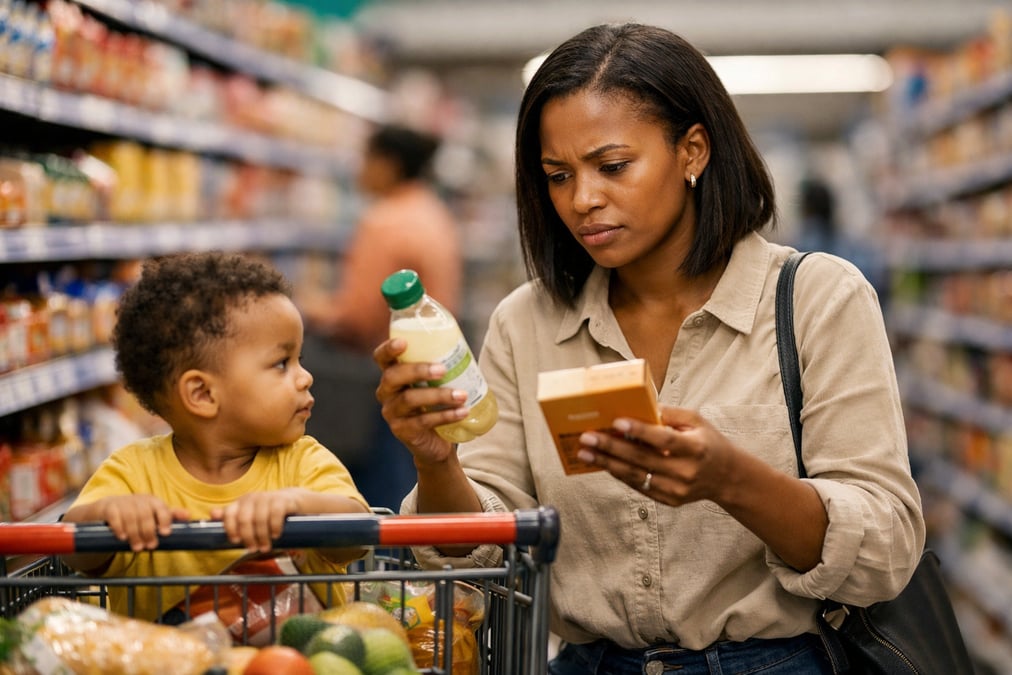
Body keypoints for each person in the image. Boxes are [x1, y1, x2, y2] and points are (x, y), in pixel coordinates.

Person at [373, 23, 925, 675]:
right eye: (557, 175)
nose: (583, 200)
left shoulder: (817, 299)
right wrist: (435, 460)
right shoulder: (528, 323)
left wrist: (732, 480)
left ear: (692, 150)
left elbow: (884, 545)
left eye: (612, 166)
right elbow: (488, 553)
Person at [61, 251, 371, 622]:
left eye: (299, 359)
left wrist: (300, 505)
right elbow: (73, 550)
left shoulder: (302, 461)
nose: (305, 377)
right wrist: (109, 515)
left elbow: (358, 533)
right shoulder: (133, 472)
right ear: (203, 395)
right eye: (281, 363)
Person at [299, 123, 463, 510]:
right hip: (436, 371)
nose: (359, 169)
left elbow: (358, 317)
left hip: (386, 382)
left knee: (376, 503)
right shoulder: (431, 211)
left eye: (366, 158)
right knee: (414, 490)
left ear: (388, 164)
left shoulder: (385, 221)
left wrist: (308, 308)